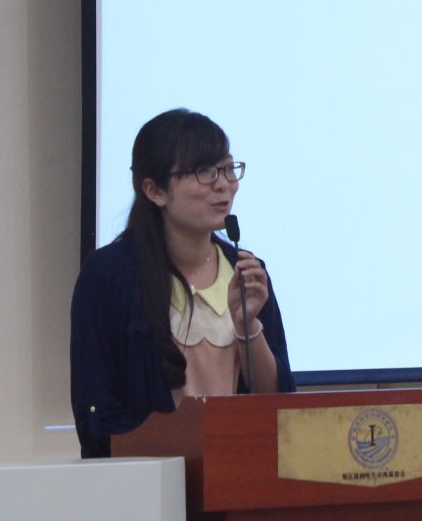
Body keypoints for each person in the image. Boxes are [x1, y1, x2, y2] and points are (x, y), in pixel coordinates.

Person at [69, 108, 295, 457]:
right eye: (204, 171)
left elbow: (279, 405)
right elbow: (97, 409)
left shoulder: (245, 269)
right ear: (154, 191)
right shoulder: (108, 276)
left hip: (238, 472)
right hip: (147, 479)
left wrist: (247, 326)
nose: (223, 184)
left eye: (228, 168)